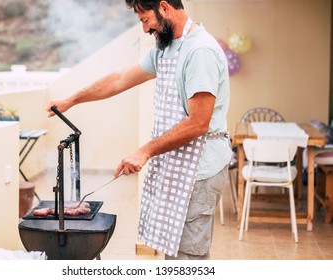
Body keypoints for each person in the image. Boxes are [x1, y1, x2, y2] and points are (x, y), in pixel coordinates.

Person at [46, 0, 232, 260]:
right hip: (178, 164)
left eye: (145, 20)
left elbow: (198, 123)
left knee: (189, 257)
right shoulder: (166, 49)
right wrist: (72, 100)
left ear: (164, 8)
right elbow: (120, 79)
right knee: (175, 251)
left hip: (198, 169)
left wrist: (145, 151)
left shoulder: (200, 51)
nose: (145, 30)